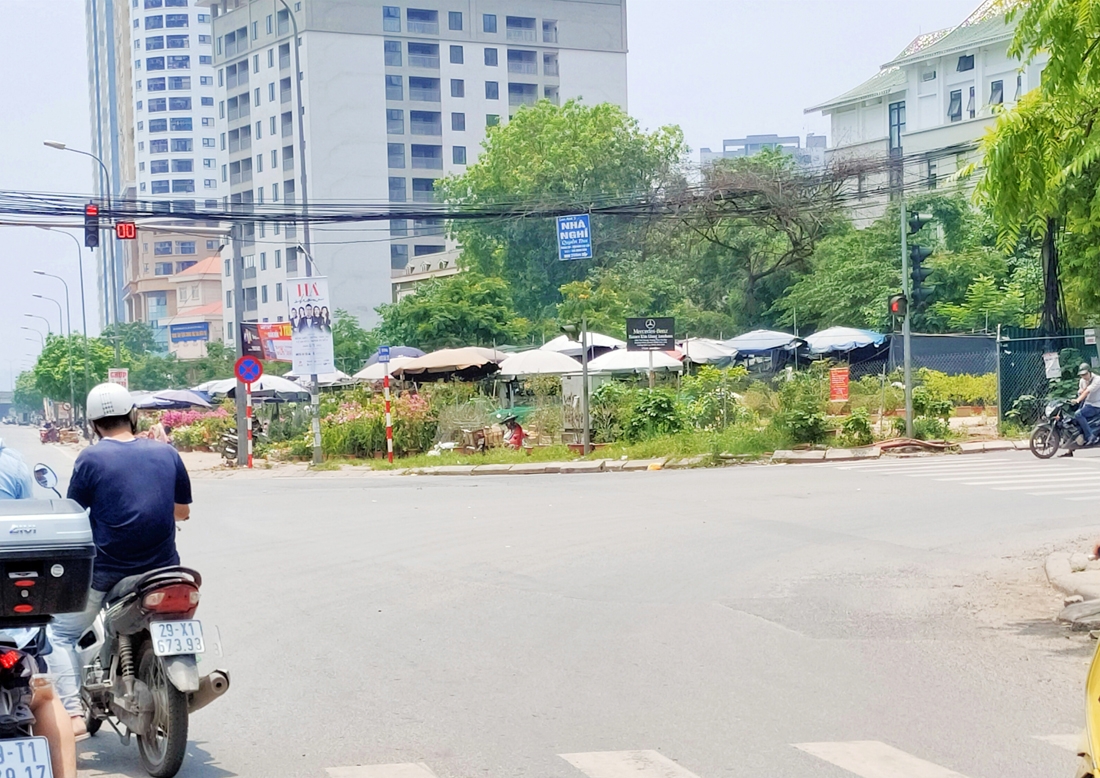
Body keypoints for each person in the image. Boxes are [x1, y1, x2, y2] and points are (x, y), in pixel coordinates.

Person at [46, 383, 192, 734]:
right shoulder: (166, 453)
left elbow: (75, 512)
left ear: (94, 425)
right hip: (165, 569)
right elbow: (182, 513)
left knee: (59, 635)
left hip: (108, 572)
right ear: (133, 416)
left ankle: (73, 716)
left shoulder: (91, 458)